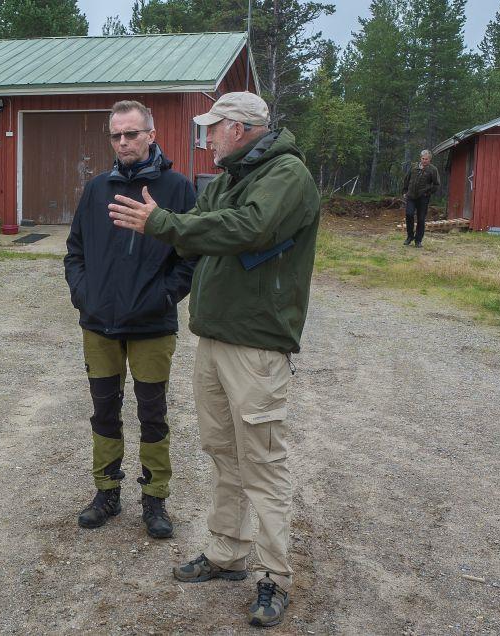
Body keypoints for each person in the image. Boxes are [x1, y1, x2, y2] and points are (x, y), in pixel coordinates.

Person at [107, 91, 320, 628]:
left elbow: (246, 228)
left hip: (257, 343)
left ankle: (274, 574)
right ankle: (228, 551)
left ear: (242, 128)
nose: (206, 136)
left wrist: (166, 225)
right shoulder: (228, 177)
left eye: (214, 126)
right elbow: (199, 236)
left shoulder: (286, 176)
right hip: (216, 337)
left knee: (263, 461)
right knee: (222, 451)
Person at [64, 100, 196, 539]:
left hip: (152, 326)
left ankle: (155, 500)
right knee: (104, 412)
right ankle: (106, 492)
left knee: (153, 414)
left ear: (151, 135)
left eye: (132, 134)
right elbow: (75, 251)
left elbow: (190, 257)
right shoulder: (97, 188)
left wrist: (164, 296)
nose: (123, 142)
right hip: (99, 325)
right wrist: (84, 296)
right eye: (116, 135)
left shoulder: (177, 189)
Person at [402, 149, 440, 247]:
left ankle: (418, 240)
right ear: (420, 158)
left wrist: (428, 193)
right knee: (409, 214)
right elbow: (407, 179)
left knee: (421, 219)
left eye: (426, 159)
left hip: (423, 198)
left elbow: (436, 184)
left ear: (429, 159)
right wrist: (405, 191)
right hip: (411, 196)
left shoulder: (433, 170)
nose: (424, 161)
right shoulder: (414, 167)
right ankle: (410, 236)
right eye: (423, 159)